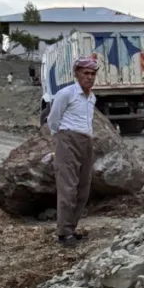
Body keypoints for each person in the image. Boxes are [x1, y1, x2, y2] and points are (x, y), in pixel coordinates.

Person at [46, 56, 97, 248]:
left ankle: (71, 229)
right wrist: (60, 138)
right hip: (68, 140)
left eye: (92, 74)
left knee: (83, 188)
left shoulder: (92, 97)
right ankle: (63, 233)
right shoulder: (66, 93)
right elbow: (53, 119)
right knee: (68, 187)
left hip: (86, 141)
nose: (90, 77)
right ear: (76, 74)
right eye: (86, 73)